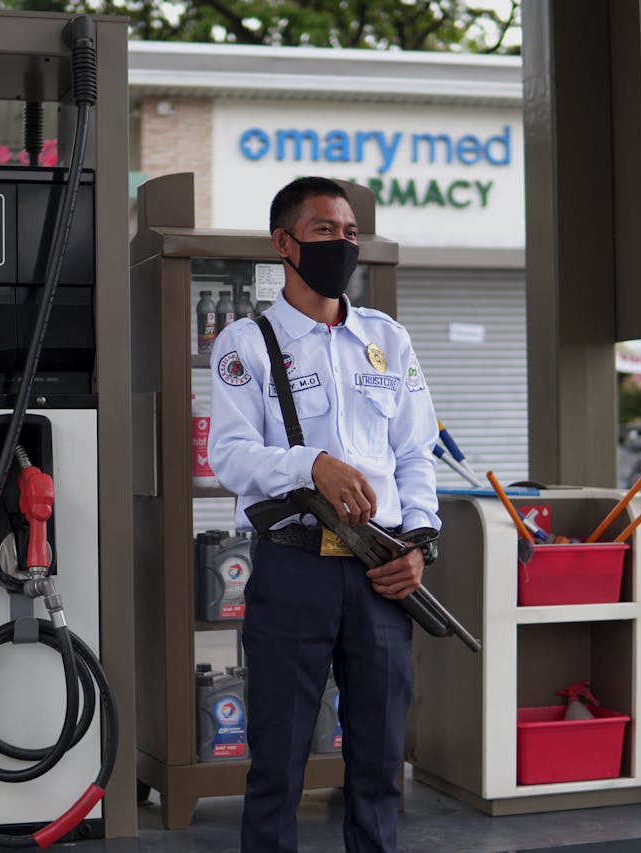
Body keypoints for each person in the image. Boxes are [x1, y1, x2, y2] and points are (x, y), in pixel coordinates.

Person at [207, 176, 441, 853]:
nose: (341, 243)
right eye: (323, 231)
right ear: (284, 244)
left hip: (384, 575)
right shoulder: (246, 343)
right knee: (276, 766)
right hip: (295, 571)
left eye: (349, 233)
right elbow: (230, 455)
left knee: (378, 768)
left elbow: (416, 453)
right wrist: (310, 464)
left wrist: (420, 539)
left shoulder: (388, 340)